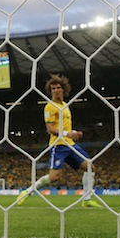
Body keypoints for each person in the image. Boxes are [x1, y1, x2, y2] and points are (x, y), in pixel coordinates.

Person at [16, 74, 101, 208]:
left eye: (58, 87)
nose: (56, 90)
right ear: (51, 91)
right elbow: (50, 129)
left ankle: (87, 200)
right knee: (53, 178)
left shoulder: (65, 105)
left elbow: (66, 126)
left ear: (63, 90)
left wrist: (74, 133)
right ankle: (27, 192)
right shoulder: (50, 107)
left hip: (71, 145)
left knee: (90, 167)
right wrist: (69, 133)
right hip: (59, 146)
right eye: (53, 88)